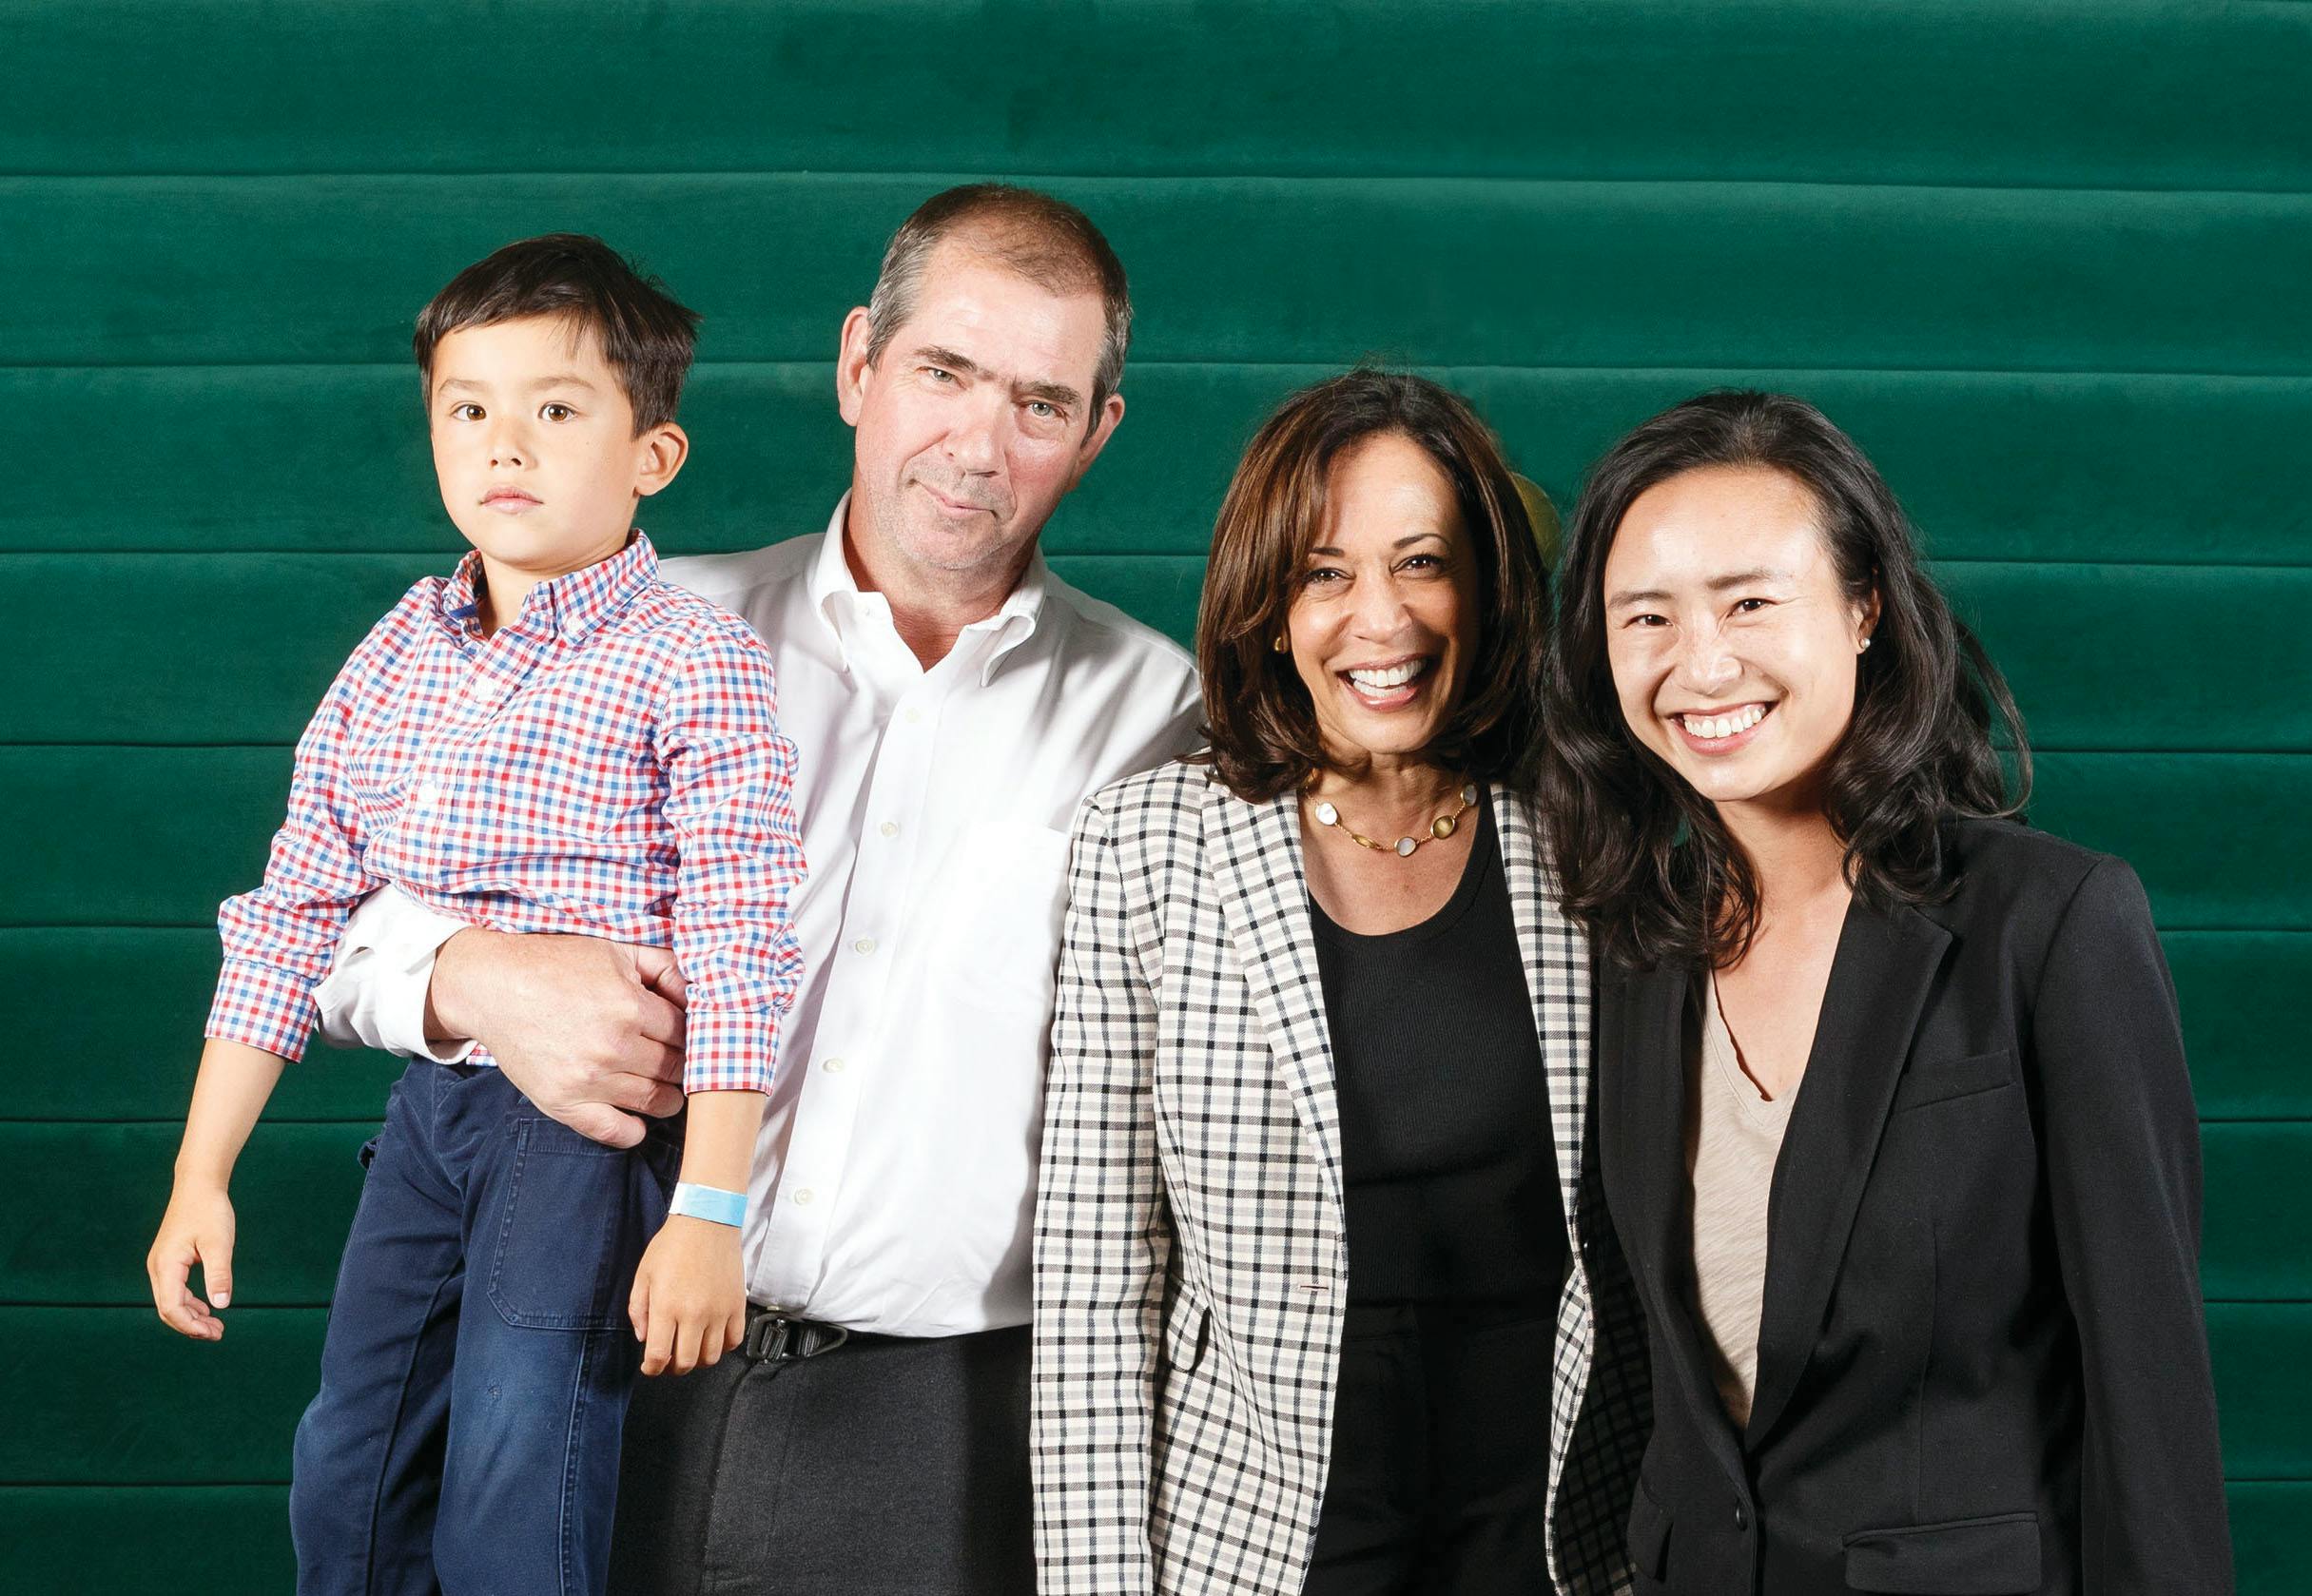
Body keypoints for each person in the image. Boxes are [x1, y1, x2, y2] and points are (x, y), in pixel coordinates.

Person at [313, 185, 1203, 1594]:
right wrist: (476, 977)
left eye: (1039, 402)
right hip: (591, 1356)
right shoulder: (643, 631)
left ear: (1094, 434)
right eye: (942, 372)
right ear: (858, 363)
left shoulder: (1164, 714)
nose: (976, 442)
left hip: (938, 1430)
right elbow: (330, 907)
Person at [144, 234, 806, 1595]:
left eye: (556, 409)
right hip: (431, 1118)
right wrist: (200, 1171)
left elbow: (744, 945)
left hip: (582, 1140)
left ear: (650, 457)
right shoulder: (399, 645)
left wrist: (710, 1210)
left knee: (519, 1475)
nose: (506, 443)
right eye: (468, 408)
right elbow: (294, 907)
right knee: (349, 1469)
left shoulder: (693, 660)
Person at [1541, 390, 2232, 1593]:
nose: (1700, 664)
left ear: (1863, 610)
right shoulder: (1633, 947)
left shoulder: (2050, 924)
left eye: (1750, 601)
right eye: (1643, 616)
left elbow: (2149, 1393)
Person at [1032, 369, 1647, 1595]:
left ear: (1484, 586)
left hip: (1557, 1516)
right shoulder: (1149, 845)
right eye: (1326, 573)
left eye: (1423, 562)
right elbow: (1097, 1285)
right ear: (1268, 606)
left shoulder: (1589, 829)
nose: (1383, 619)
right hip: (1263, 1523)